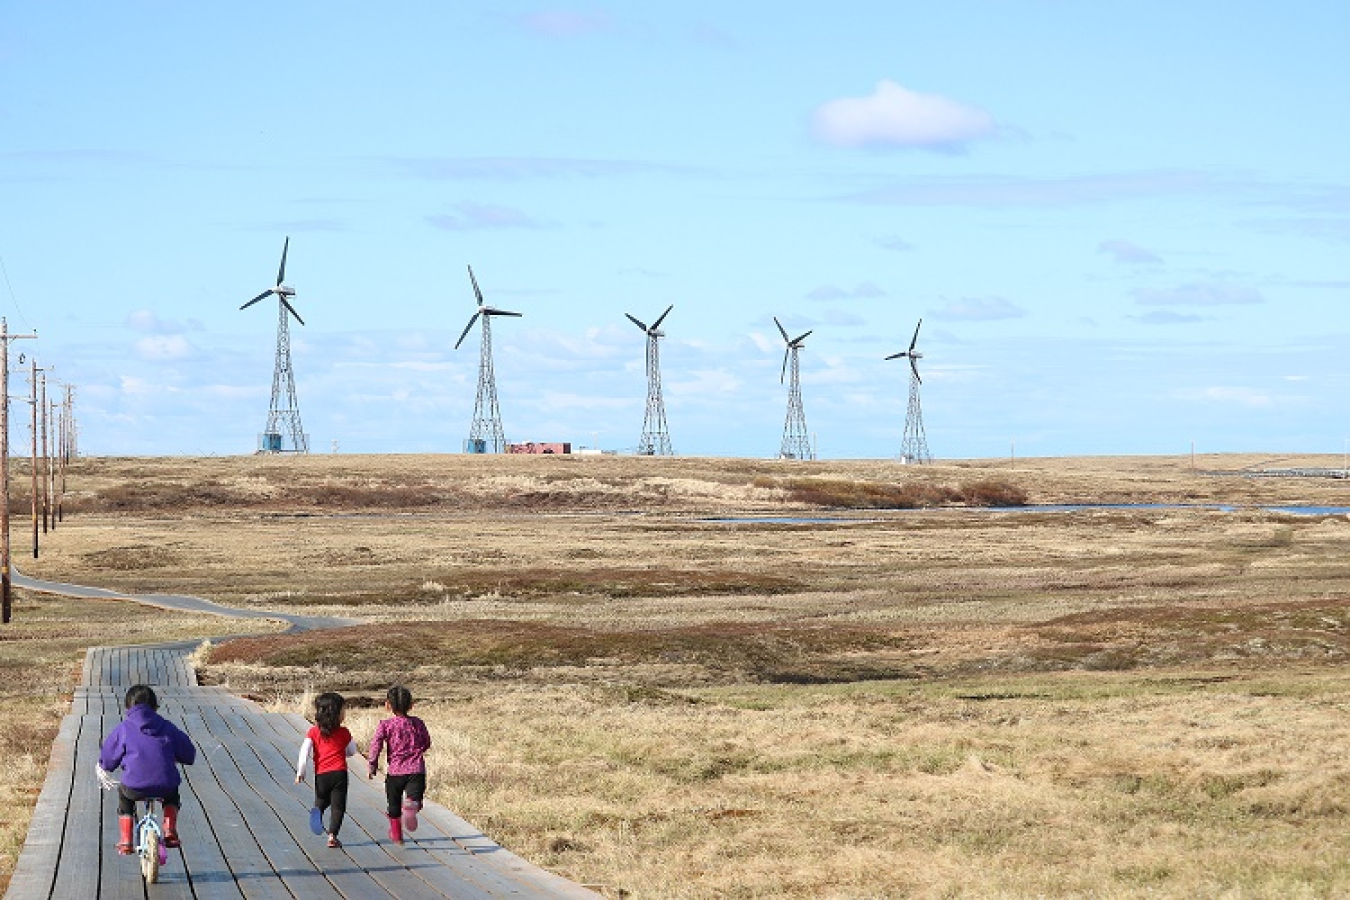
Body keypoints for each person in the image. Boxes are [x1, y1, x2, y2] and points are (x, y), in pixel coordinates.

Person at [96, 684, 197, 855]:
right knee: (172, 796)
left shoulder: (124, 729)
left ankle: (126, 840)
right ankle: (170, 829)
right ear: (155, 706)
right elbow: (189, 753)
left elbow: (108, 757)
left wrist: (105, 766)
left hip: (134, 787)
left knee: (125, 797)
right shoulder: (167, 727)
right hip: (165, 785)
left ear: (128, 707)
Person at [366, 685, 432, 844]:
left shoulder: (385, 725)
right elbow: (426, 742)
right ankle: (412, 805)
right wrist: (418, 750)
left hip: (395, 772)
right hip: (416, 769)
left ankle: (396, 834)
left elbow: (376, 745)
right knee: (414, 796)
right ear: (411, 705)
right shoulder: (417, 723)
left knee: (393, 804)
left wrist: (372, 765)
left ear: (387, 705)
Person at [295, 691, 357, 849]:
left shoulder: (314, 732)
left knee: (322, 799)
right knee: (338, 806)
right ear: (337, 714)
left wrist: (300, 771)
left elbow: (304, 751)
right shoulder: (344, 732)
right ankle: (332, 835)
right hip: (339, 774)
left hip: (321, 774)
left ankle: (318, 810)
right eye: (343, 710)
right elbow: (352, 751)